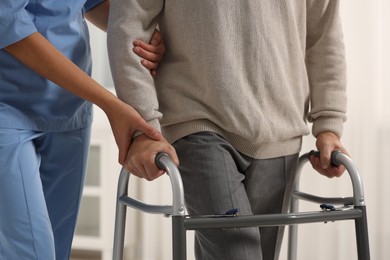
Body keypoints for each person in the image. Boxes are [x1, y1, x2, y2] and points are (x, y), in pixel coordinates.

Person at [107, 0, 349, 259]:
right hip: (198, 122)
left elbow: (324, 36)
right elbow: (129, 24)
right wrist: (144, 127)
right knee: (239, 254)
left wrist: (329, 125)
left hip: (281, 133)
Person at [0, 0, 176, 259]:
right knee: (33, 252)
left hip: (69, 108)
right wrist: (109, 104)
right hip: (8, 105)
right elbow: (9, 24)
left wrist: (142, 36)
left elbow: (90, 4)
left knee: (58, 250)